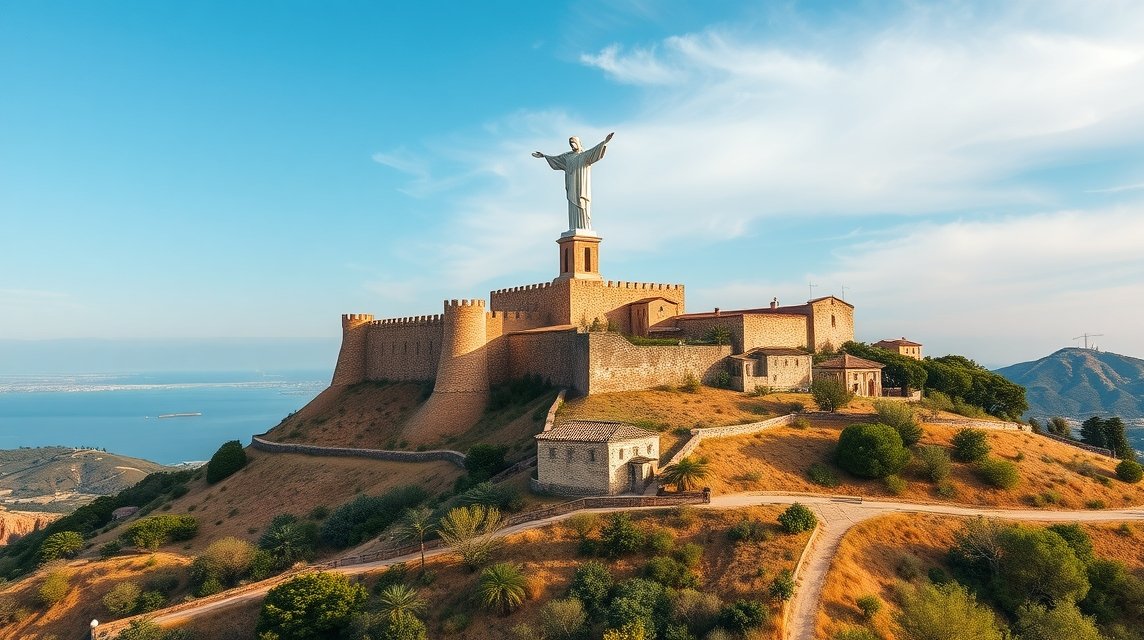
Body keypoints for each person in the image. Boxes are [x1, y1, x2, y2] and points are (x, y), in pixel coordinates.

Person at [532, 132, 614, 230]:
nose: (572, 145)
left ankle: (585, 227)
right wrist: (544, 155)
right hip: (572, 186)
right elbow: (556, 159)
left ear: (579, 143)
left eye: (574, 142)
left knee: (582, 203)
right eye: (571, 143)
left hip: (581, 186)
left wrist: (605, 142)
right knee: (572, 205)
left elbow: (595, 151)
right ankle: (573, 226)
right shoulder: (567, 157)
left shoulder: (584, 155)